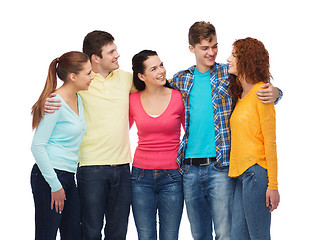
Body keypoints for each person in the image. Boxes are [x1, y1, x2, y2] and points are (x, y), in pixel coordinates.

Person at [169, 21, 283, 240]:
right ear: (191, 48)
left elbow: (257, 90)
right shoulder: (181, 79)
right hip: (191, 169)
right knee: (200, 234)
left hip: (222, 167)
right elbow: (154, 89)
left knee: (227, 234)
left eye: (215, 46)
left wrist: (278, 92)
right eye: (204, 48)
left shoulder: (228, 74)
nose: (212, 53)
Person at [44, 31, 133, 239]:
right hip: (91, 168)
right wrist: (49, 101)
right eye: (111, 52)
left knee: (118, 232)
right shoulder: (82, 83)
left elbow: (153, 87)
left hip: (122, 167)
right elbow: (62, 93)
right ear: (95, 58)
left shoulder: (126, 78)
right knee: (91, 232)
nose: (117, 55)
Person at [30, 51, 93, 240]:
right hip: (49, 177)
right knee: (46, 235)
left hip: (68, 176)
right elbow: (37, 146)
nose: (92, 78)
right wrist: (55, 186)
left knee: (74, 234)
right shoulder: (55, 102)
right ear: (73, 76)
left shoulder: (79, 99)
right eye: (88, 73)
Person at [227, 37, 280, 240]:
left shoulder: (262, 92)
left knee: (258, 236)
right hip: (239, 177)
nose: (228, 59)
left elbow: (270, 141)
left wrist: (273, 185)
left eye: (234, 55)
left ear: (246, 59)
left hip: (256, 174)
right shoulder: (240, 96)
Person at [129, 50, 185, 240]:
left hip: (173, 176)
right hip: (139, 177)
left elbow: (192, 134)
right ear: (141, 76)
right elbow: (117, 131)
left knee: (170, 236)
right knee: (145, 236)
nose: (161, 71)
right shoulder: (132, 100)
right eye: (154, 68)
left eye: (161, 65)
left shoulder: (178, 97)